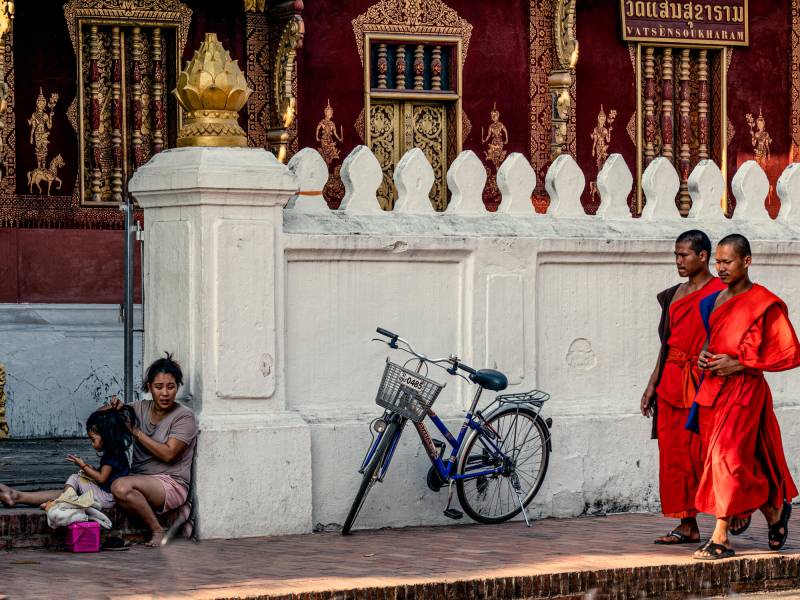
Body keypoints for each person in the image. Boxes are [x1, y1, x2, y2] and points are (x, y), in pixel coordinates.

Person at [691, 234, 800, 560]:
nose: (720, 268)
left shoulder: (763, 302)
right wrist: (704, 355)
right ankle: (773, 510)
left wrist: (739, 363)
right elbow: (717, 341)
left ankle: (721, 536)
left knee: (728, 459)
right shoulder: (716, 300)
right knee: (738, 460)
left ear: (746, 261)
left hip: (745, 392)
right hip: (714, 390)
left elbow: (790, 353)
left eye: (727, 262)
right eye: (718, 263)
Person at [641, 230, 725, 545]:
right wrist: (652, 384)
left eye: (684, 255)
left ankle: (727, 519)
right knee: (674, 456)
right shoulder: (674, 294)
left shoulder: (721, 292)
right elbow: (666, 345)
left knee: (710, 453)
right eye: (676, 255)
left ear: (703, 256)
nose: (678, 261)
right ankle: (687, 523)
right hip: (671, 382)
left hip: (705, 381)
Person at [107, 353, 198, 547]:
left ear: (177, 388)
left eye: (171, 387)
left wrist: (136, 432)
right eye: (159, 387)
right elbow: (105, 419)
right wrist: (112, 408)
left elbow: (168, 453)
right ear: (149, 387)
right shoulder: (140, 408)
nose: (165, 393)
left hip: (171, 484)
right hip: (140, 478)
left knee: (120, 487)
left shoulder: (184, 417)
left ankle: (157, 530)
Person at [0, 406, 136, 510]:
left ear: (106, 435)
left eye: (93, 439)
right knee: (73, 487)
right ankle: (16, 496)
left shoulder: (111, 455)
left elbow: (101, 478)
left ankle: (60, 503)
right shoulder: (116, 452)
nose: (92, 444)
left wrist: (83, 465)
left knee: (74, 479)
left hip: (107, 498)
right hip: (108, 496)